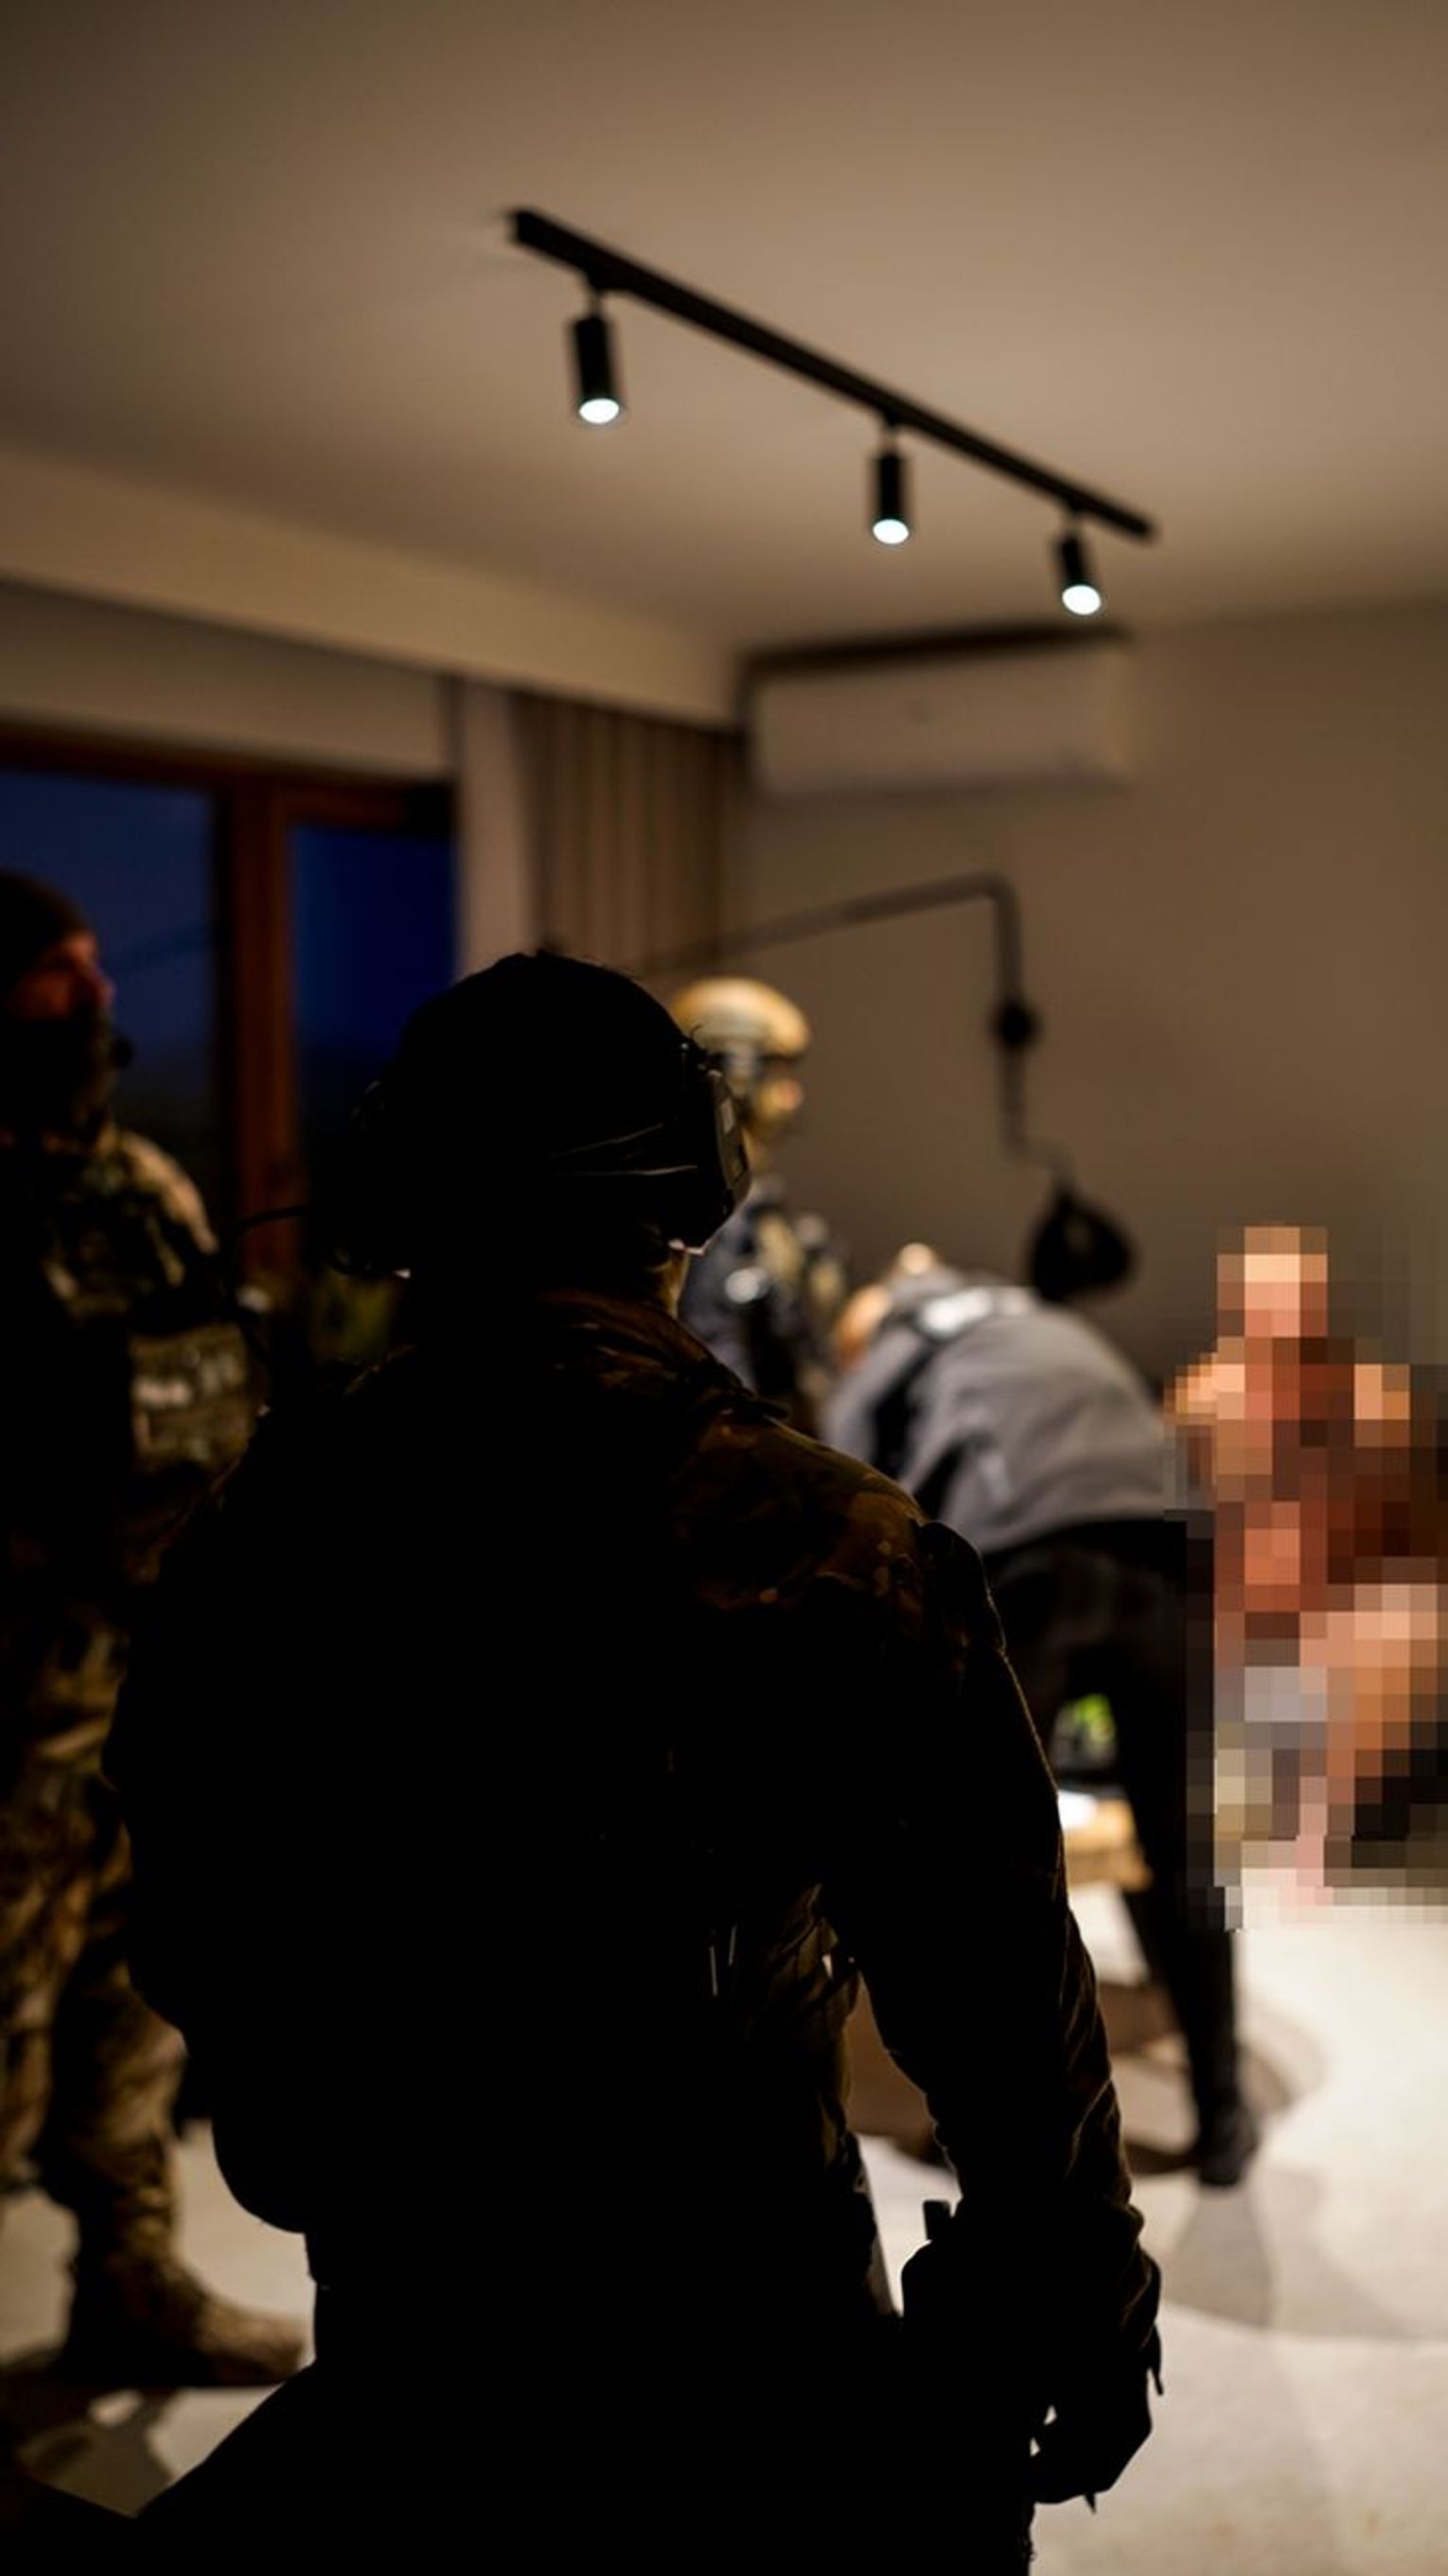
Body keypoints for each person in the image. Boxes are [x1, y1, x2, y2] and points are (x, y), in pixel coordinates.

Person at [111, 953, 1160, 2564]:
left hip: (410, 2326)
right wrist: (1069, 2288)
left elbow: (191, 1923)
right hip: (756, 2344)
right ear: (693, 1193)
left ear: (399, 1201)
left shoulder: (260, 1526)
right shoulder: (834, 1539)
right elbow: (998, 1986)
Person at [0, 870, 304, 2385]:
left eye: (95, 969)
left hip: (151, 1685)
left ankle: (130, 2287)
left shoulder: (142, 1187)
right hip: (11, 1708)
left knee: (139, 2006)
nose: (97, 1000)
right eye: (58, 975)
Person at [828, 1247, 1255, 2187]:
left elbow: (842, 1488)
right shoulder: (1041, 1319)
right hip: (1169, 1541)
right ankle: (1225, 2114)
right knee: (1180, 1838)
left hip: (1022, 1549)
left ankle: (1015, 2142)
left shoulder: (899, 1340)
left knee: (993, 1851)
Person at [1170, 1224, 1446, 1899]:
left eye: (1302, 1328)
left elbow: (1421, 1544)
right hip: (1220, 1615)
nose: (1286, 1340)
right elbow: (1165, 1521)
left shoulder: (1377, 1408)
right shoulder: (1202, 1403)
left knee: (1410, 1615)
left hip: (1334, 1622)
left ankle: (1318, 1829)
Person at [668, 974, 846, 1431]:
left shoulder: (754, 1209)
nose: (792, 1095)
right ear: (737, 1072)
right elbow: (720, 1355)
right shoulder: (712, 1219)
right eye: (779, 1072)